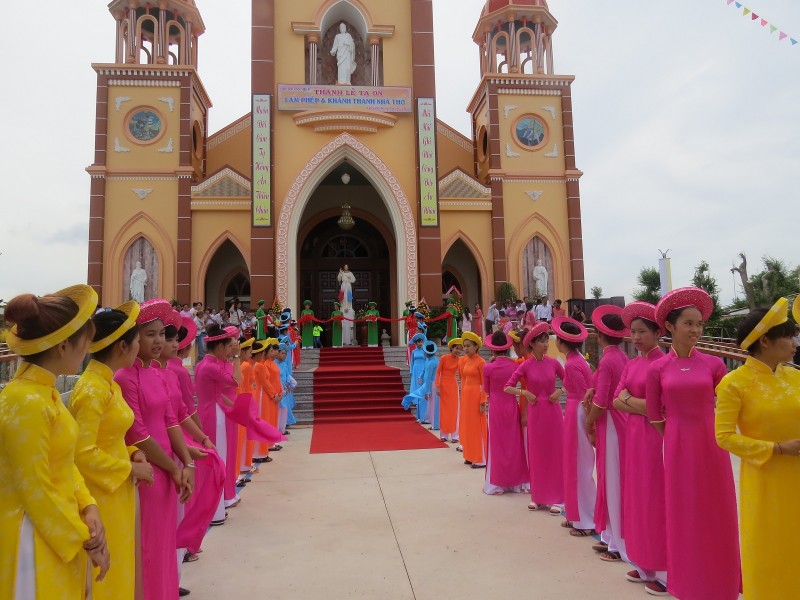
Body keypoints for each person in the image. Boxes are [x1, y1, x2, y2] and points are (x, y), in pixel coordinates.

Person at [1, 285, 111, 599]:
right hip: (34, 538)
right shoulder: (24, 400)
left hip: (58, 528)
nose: (87, 350)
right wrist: (86, 540)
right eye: (84, 342)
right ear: (63, 346)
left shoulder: (44, 394)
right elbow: (34, 488)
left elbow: (63, 463)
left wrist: (88, 505)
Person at [647, 287, 740, 600]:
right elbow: (653, 413)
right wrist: (674, 438)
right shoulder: (657, 368)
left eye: (699, 324)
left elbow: (729, 405)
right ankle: (687, 581)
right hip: (676, 446)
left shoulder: (714, 365)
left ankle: (723, 581)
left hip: (712, 446)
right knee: (683, 511)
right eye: (689, 323)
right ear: (670, 326)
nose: (696, 330)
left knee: (716, 508)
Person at [70, 302, 156, 600]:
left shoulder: (108, 385)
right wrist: (130, 468)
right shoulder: (92, 390)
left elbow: (110, 437)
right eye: (137, 340)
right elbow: (82, 453)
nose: (140, 345)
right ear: (123, 345)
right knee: (108, 576)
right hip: (101, 495)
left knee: (122, 567)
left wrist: (132, 452)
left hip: (117, 490)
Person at [715, 297, 800, 600]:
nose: (794, 342)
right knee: (769, 546)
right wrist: (776, 448)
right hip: (766, 481)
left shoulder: (795, 376)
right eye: (789, 335)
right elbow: (723, 437)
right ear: (766, 340)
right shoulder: (734, 384)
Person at [115, 298, 195, 599]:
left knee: (164, 542)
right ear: (134, 338)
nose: (159, 340)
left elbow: (171, 420)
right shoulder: (125, 377)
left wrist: (187, 463)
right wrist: (174, 468)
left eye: (162, 333)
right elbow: (138, 434)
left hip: (169, 470)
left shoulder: (159, 373)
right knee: (146, 545)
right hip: (148, 472)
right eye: (150, 334)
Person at [159, 313, 226, 574]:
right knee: (178, 506)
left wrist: (199, 437)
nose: (173, 345)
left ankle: (173, 570)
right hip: (169, 447)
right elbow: (180, 412)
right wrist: (196, 440)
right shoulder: (177, 372)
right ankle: (179, 556)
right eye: (165, 339)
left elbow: (179, 413)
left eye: (175, 340)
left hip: (179, 440)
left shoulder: (170, 372)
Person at [612, 302, 668, 594]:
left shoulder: (663, 364)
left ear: (658, 332)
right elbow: (614, 400)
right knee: (637, 497)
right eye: (632, 332)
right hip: (634, 440)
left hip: (656, 440)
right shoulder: (632, 364)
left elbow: (662, 407)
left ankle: (664, 569)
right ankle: (645, 562)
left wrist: (630, 401)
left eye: (642, 331)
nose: (635, 337)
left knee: (656, 498)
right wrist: (641, 405)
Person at [583, 305, 630, 563]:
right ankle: (612, 536)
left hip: (610, 423)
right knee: (615, 480)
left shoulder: (608, 360)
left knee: (611, 481)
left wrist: (588, 423)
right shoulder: (623, 358)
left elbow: (602, 402)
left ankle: (618, 542)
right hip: (621, 423)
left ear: (600, 336)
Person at [504, 322, 564, 512]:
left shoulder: (554, 363)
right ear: (532, 344)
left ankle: (557, 497)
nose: (546, 344)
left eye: (547, 341)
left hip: (553, 414)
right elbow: (507, 386)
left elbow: (571, 381)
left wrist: (560, 390)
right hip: (536, 413)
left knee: (554, 453)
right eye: (542, 341)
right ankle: (537, 496)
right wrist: (525, 393)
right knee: (537, 454)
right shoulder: (526, 366)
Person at [551, 317, 597, 538]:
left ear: (561, 342)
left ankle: (586, 519)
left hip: (577, 412)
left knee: (579, 466)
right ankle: (576, 514)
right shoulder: (579, 360)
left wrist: (589, 425)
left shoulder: (572, 364)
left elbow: (584, 395)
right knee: (574, 464)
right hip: (574, 411)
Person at [194, 323, 242, 523]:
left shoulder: (203, 364)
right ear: (220, 347)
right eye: (229, 347)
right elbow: (236, 381)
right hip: (215, 416)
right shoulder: (211, 367)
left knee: (217, 460)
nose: (231, 350)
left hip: (209, 412)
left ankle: (218, 504)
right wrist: (237, 357)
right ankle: (214, 510)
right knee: (218, 460)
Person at [482, 331, 529, 495]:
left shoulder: (488, 367)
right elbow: (522, 385)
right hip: (511, 405)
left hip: (496, 407)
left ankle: (496, 483)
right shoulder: (515, 366)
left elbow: (486, 389)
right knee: (513, 444)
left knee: (497, 444)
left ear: (493, 348)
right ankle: (514, 482)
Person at [458, 332, 488, 468]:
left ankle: (480, 458)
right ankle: (470, 455)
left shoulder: (481, 362)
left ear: (476, 347)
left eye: (468, 346)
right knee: (468, 425)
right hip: (466, 396)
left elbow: (485, 384)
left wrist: (483, 401)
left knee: (477, 427)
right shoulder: (465, 360)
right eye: (464, 346)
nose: (465, 349)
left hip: (476, 395)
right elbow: (463, 378)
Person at [435, 338, 462, 443]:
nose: (458, 351)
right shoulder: (444, 358)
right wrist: (437, 386)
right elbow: (438, 372)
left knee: (454, 410)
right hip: (443, 386)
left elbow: (461, 373)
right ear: (451, 348)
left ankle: (455, 435)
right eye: (456, 348)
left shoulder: (460, 360)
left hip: (453, 386)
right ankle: (444, 435)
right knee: (444, 411)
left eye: (460, 349)